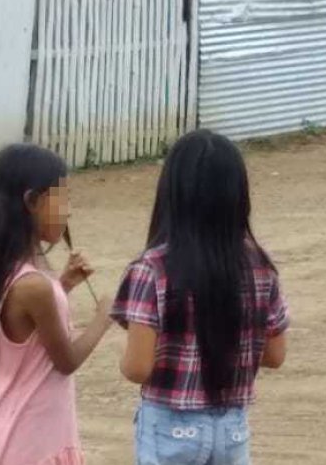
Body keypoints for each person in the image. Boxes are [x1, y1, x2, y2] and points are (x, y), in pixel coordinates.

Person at [112, 130, 289, 465]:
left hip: (169, 427)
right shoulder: (260, 268)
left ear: (171, 194)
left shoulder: (152, 268)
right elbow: (276, 354)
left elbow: (137, 367)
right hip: (232, 429)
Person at [0, 143, 113, 465]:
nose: (68, 211)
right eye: (61, 198)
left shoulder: (11, 271)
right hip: (32, 444)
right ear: (32, 202)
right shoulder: (34, 285)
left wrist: (62, 286)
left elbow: (27, 332)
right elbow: (65, 361)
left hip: (18, 436)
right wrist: (102, 319)